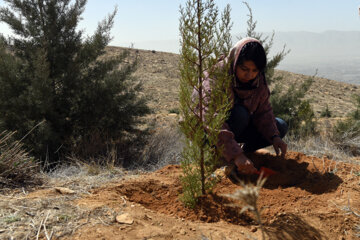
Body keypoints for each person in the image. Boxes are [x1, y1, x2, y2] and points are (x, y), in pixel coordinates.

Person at [199, 37, 288, 175]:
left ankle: (244, 155)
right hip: (209, 132)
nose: (249, 75)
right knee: (240, 114)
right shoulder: (216, 77)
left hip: (235, 129)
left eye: (254, 70)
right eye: (244, 69)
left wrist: (275, 136)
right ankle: (220, 156)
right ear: (235, 62)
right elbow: (211, 118)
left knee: (280, 126)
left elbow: (264, 111)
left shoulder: (258, 81)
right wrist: (236, 155)